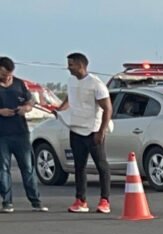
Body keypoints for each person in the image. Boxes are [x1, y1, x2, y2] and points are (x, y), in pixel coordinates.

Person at [57, 52, 111, 215]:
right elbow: (70, 98)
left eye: (71, 64)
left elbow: (108, 109)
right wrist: (60, 109)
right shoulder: (71, 81)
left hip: (92, 131)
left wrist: (101, 131)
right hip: (76, 129)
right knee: (79, 166)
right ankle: (81, 200)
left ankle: (104, 200)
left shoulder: (96, 84)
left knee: (101, 165)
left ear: (81, 65)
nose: (68, 68)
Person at [0, 57, 46, 214]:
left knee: (28, 167)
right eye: (4, 74)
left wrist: (27, 107)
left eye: (10, 74)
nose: (7, 77)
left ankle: (36, 201)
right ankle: (7, 202)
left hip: (20, 133)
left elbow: (31, 100)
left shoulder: (19, 84)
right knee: (3, 169)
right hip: (2, 135)